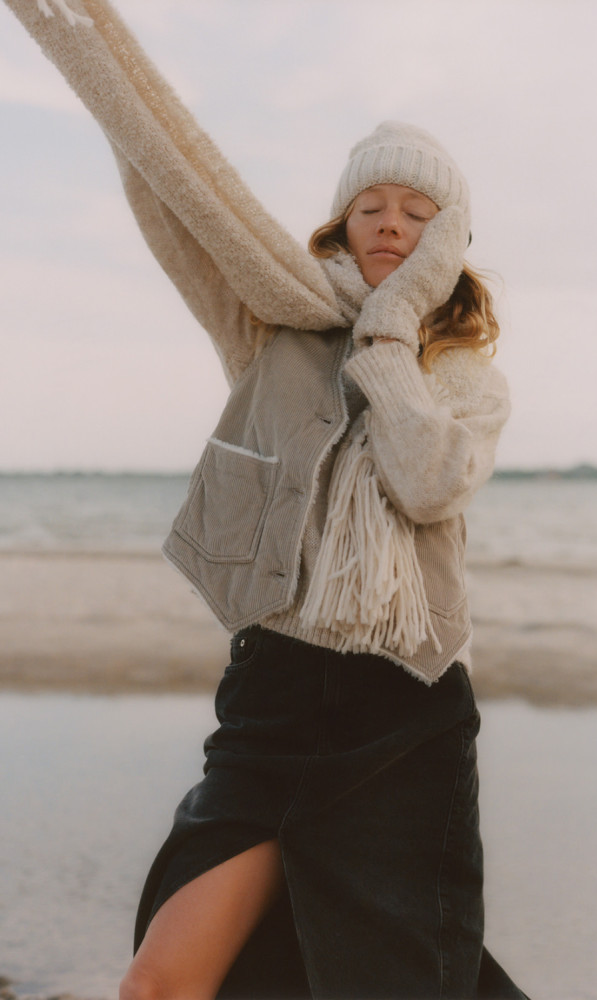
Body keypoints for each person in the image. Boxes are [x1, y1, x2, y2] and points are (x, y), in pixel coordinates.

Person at [4, 4, 529, 998]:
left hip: (401, 718)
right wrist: (118, 95)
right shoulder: (271, 333)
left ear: (446, 242)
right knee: (161, 980)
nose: (389, 224)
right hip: (274, 696)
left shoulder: (463, 376)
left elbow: (425, 481)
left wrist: (388, 335)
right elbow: (180, 219)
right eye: (371, 205)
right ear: (340, 221)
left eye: (417, 214)